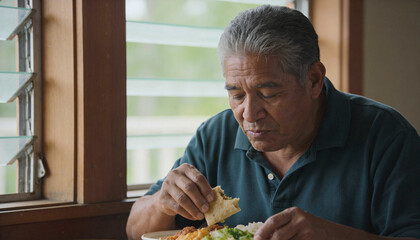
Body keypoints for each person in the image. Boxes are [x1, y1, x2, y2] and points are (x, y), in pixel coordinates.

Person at [126, 5, 420, 240]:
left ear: (314, 80)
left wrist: (334, 235)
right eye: (237, 95)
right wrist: (162, 203)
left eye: (268, 94)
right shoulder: (214, 135)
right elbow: (134, 229)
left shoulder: (387, 136)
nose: (250, 114)